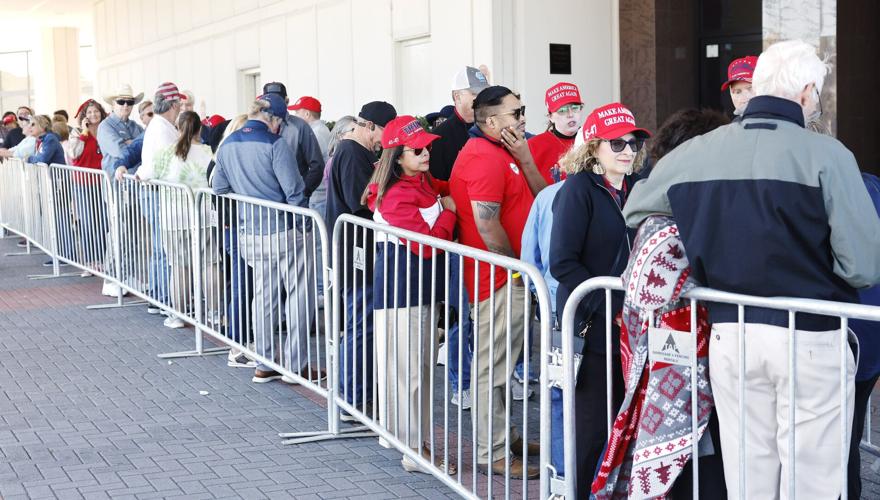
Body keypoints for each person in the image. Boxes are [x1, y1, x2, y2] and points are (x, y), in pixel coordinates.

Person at [623, 40, 880, 499]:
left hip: (731, 333)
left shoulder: (695, 152)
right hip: (811, 334)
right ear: (804, 92)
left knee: (747, 475)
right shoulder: (829, 156)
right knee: (813, 480)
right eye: (818, 95)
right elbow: (862, 266)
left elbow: (638, 211)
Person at [548, 102, 650, 495]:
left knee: (626, 420)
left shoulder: (635, 188)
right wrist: (610, 308)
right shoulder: (578, 189)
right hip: (593, 327)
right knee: (591, 427)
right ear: (593, 147)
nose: (628, 151)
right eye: (617, 143)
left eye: (633, 143)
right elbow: (562, 262)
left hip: (630, 325)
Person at [448, 85, 546, 479]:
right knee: (494, 367)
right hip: (499, 280)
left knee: (503, 363)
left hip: (507, 278)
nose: (523, 117)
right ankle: (494, 451)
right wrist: (518, 271)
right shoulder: (483, 158)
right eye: (515, 112)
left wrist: (524, 157)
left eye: (523, 109)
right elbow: (488, 226)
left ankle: (506, 437)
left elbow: (542, 199)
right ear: (490, 122)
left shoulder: (502, 152)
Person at [363, 115, 457, 475]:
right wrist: (449, 213)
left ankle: (414, 443)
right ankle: (412, 448)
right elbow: (429, 245)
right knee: (409, 373)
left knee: (418, 369)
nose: (426, 153)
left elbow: (446, 189)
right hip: (403, 293)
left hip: (420, 289)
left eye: (427, 146)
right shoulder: (396, 194)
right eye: (417, 150)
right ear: (397, 156)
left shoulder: (421, 180)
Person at [212, 93, 322, 384]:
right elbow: (294, 192)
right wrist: (306, 227)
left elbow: (219, 188)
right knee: (299, 297)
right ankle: (295, 366)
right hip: (285, 232)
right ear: (271, 118)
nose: (280, 128)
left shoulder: (227, 145)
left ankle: (264, 362)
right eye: (280, 122)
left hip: (250, 233)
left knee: (263, 298)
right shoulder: (275, 144)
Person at [326, 100, 396, 417]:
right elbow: (363, 203)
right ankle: (353, 398)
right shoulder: (353, 153)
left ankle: (354, 395)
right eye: (384, 133)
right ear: (368, 126)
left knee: (360, 323)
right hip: (356, 249)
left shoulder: (356, 151)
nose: (386, 141)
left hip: (356, 247)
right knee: (360, 324)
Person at [142, 111, 218, 330]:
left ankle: (178, 315)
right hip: (203, 215)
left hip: (173, 219)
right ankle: (214, 313)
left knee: (179, 267)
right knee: (210, 263)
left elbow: (146, 174)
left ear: (178, 128)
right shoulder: (207, 152)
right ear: (199, 130)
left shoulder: (166, 154)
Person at [137, 82, 185, 325]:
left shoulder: (161, 125)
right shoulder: (163, 128)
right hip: (157, 191)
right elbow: (168, 164)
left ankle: (159, 297)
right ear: (174, 104)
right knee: (164, 247)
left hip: (152, 189)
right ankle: (165, 299)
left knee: (160, 246)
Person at [848, 173, 880, 500]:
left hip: (851, 333)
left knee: (840, 441)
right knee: (849, 434)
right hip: (868, 333)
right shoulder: (871, 185)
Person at [96, 83, 145, 298]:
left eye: (130, 102)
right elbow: (120, 150)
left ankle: (127, 275)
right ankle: (111, 276)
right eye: (121, 102)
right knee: (118, 231)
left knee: (133, 232)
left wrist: (131, 144)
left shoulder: (135, 126)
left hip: (133, 186)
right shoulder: (106, 126)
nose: (126, 105)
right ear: (113, 104)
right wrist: (133, 144)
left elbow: (144, 147)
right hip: (116, 186)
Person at [261, 82, 326, 202]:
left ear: (286, 101)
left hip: (292, 203)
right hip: (265, 202)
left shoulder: (300, 126)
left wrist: (302, 193)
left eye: (278, 99)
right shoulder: (258, 126)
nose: (273, 103)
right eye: (268, 100)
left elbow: (317, 165)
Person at [428, 66, 490, 181]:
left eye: (484, 93)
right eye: (475, 93)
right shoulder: (439, 137)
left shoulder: (492, 127)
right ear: (457, 96)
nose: (482, 98)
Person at [68, 99, 109, 272]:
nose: (93, 115)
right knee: (88, 222)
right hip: (83, 183)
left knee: (103, 222)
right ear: (84, 116)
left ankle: (102, 258)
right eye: (90, 112)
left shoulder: (106, 130)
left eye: (96, 111)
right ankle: (91, 260)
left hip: (102, 182)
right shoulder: (77, 133)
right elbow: (73, 153)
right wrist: (84, 134)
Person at [528, 82, 585, 184]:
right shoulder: (533, 146)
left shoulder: (593, 141)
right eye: (562, 110)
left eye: (575, 108)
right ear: (550, 117)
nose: (570, 114)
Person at [289, 96, 330, 162]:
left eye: (297, 112)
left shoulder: (316, 133)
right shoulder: (320, 129)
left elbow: (312, 163)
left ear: (307, 114)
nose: (295, 115)